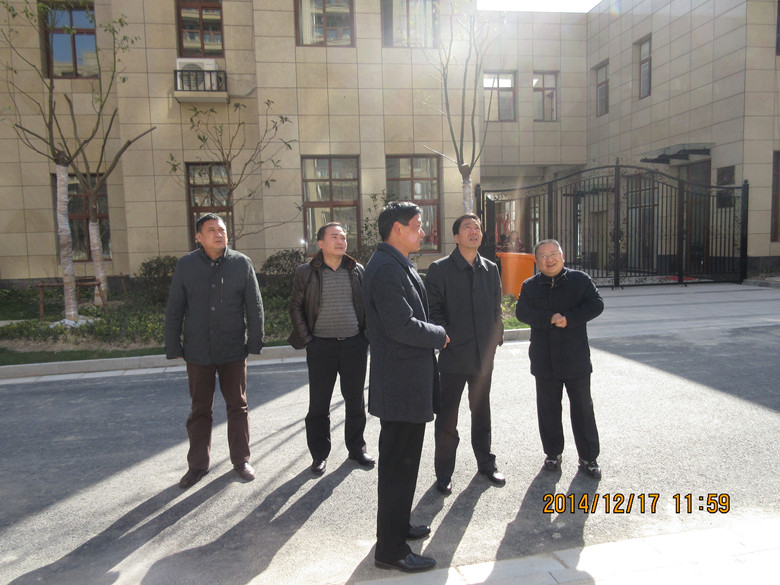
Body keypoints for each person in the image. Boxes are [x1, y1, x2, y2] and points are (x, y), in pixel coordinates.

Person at [363, 201, 449, 573]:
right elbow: (401, 325)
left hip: (407, 382)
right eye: (417, 225)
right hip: (400, 385)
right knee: (398, 467)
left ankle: (397, 527)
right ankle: (390, 550)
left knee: (404, 464)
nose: (422, 231)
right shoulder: (385, 268)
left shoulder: (398, 263)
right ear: (397, 229)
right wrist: (440, 335)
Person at [165, 213, 264, 489]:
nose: (219, 234)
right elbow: (175, 307)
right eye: (211, 230)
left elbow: (254, 306)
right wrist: (173, 344)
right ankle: (197, 465)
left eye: (222, 229)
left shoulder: (241, 263)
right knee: (200, 409)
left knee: (238, 406)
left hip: (232, 348)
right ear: (199, 237)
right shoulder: (186, 266)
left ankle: (241, 460)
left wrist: (254, 342)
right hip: (198, 350)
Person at [426, 214, 505, 496]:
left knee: (481, 413)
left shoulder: (490, 268)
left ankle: (486, 464)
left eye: (478, 228)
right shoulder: (440, 269)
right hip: (453, 356)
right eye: (467, 228)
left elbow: (497, 308)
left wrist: (496, 337)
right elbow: (432, 310)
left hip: (483, 357)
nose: (474, 232)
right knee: (448, 418)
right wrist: (446, 336)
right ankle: (444, 472)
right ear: (456, 236)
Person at [288, 222, 373, 476]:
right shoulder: (306, 272)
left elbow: (368, 305)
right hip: (320, 347)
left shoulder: (356, 270)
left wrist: (365, 338)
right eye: (334, 236)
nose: (340, 241)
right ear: (321, 243)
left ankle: (356, 448)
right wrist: (308, 340)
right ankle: (319, 455)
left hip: (354, 346)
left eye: (343, 237)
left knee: (355, 402)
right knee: (319, 404)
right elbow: (295, 307)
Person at [515, 239, 604, 478]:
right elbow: (522, 312)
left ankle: (589, 457)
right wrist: (549, 318)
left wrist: (569, 318)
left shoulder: (580, 280)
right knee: (548, 409)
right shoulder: (530, 286)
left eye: (553, 254)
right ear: (536, 261)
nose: (549, 259)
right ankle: (553, 453)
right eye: (543, 256)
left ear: (562, 256)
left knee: (583, 408)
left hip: (575, 357)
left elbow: (596, 304)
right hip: (544, 359)